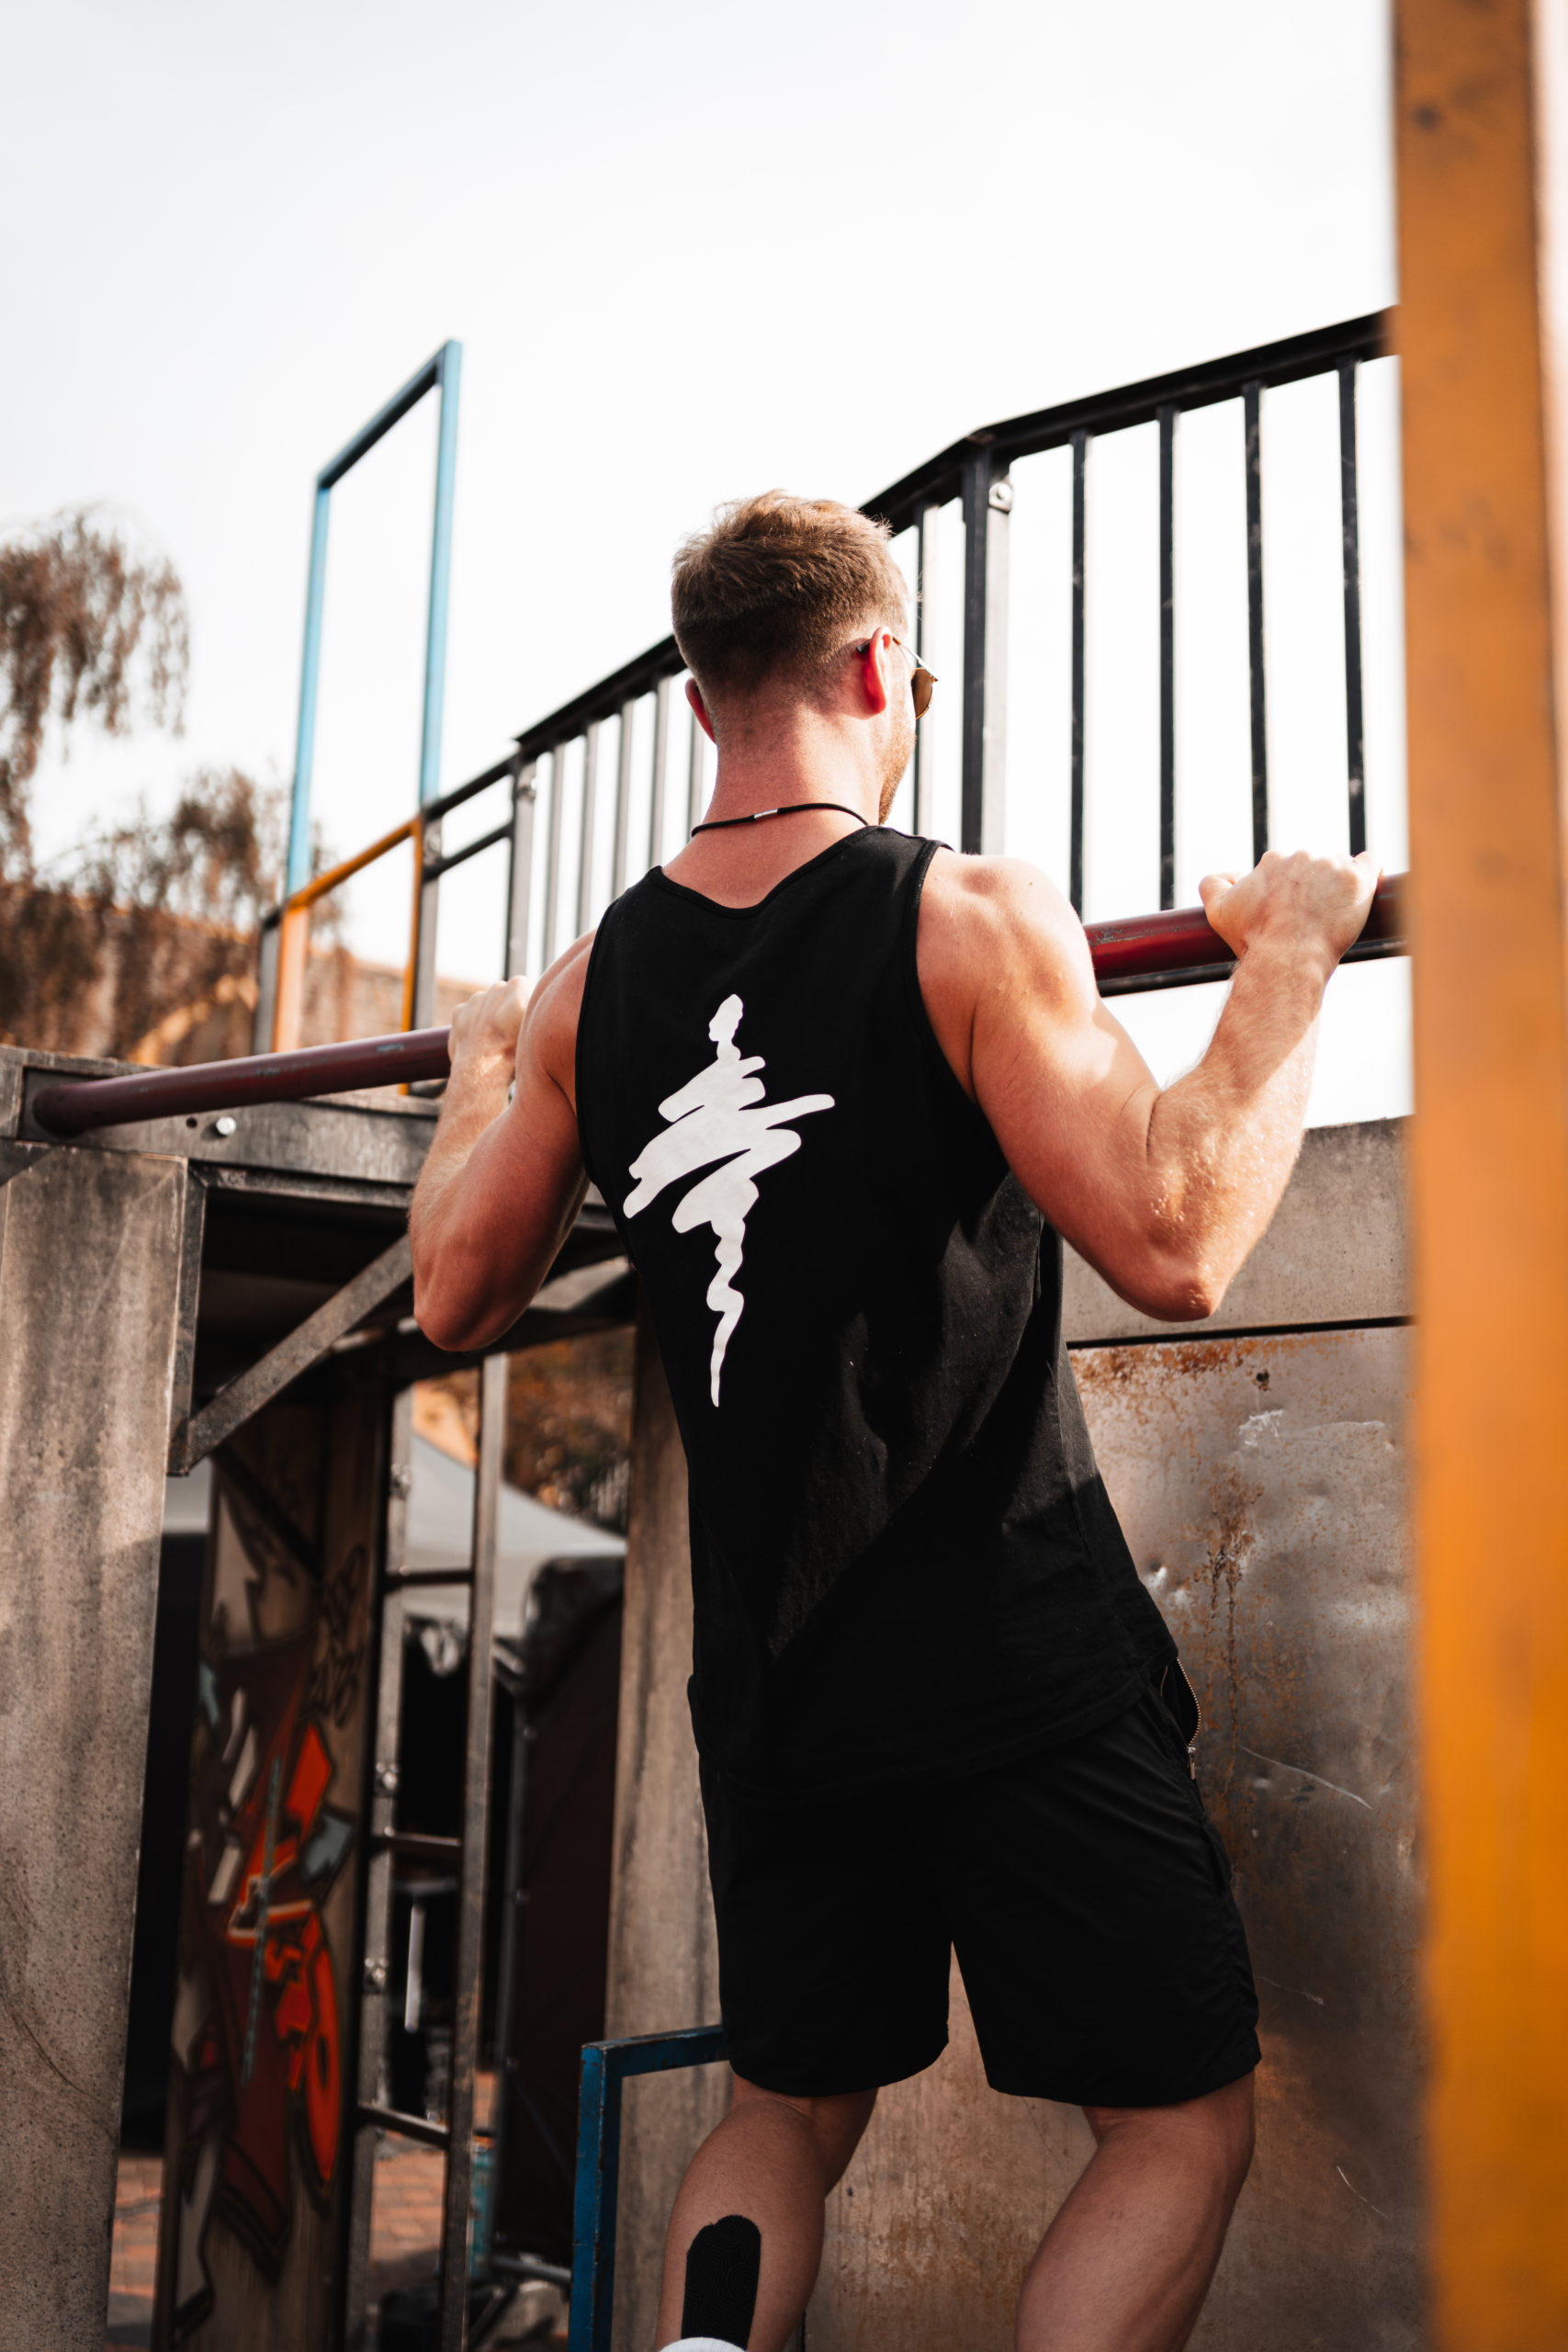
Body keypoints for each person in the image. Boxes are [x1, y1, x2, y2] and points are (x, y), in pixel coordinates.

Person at [410, 492, 1378, 2352]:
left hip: (777, 1687)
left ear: (702, 700)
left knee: (785, 2107)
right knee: (1174, 2120)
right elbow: (1176, 1235)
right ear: (878, 669)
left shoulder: (589, 988)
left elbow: (455, 1289)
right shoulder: (962, 914)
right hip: (1015, 1660)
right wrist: (1293, 951)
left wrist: (480, 1075)